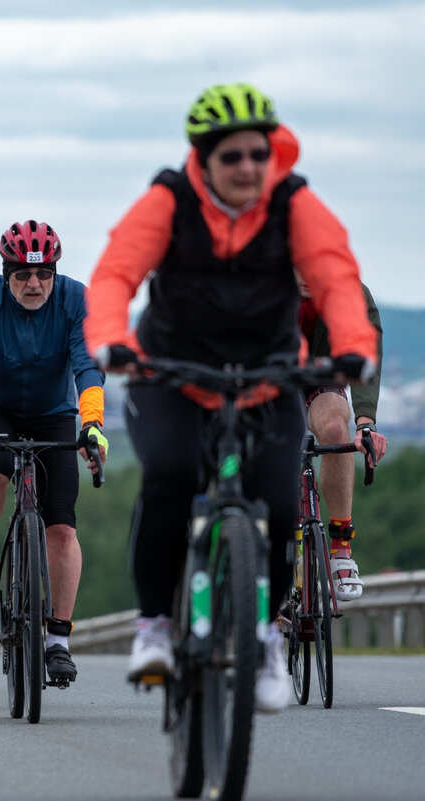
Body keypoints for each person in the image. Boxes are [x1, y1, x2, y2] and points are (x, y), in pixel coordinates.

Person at [84, 83, 379, 712]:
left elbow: (336, 274)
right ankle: (156, 626)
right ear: (204, 160)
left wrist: (353, 345)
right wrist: (111, 340)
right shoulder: (171, 199)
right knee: (168, 477)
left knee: (275, 502)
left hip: (269, 376)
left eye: (257, 154)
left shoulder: (292, 203)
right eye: (232, 157)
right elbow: (116, 273)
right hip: (173, 371)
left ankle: (266, 634)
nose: (248, 167)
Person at [0, 220, 108, 685]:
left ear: (56, 273)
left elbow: (88, 366)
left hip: (53, 412)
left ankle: (58, 639)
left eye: (43, 274)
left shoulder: (76, 299)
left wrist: (93, 425)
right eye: (22, 275)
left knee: (60, 526)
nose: (34, 283)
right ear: (5, 275)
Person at [296, 273, 389, 600]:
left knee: (337, 428)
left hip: (321, 380)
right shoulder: (261, 275)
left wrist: (365, 423)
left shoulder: (346, 287)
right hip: (271, 380)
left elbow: (367, 350)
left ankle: (340, 547)